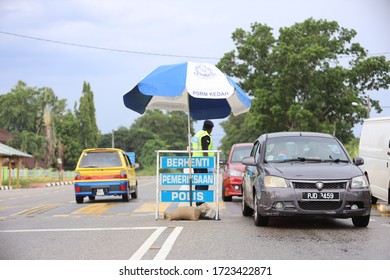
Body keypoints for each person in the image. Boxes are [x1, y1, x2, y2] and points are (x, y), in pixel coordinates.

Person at [192, 120, 214, 206]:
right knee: (203, 183)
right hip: (202, 163)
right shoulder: (205, 136)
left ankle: (198, 203)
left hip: (196, 162)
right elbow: (205, 151)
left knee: (198, 182)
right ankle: (200, 203)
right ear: (210, 128)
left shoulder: (197, 134)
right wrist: (207, 163)